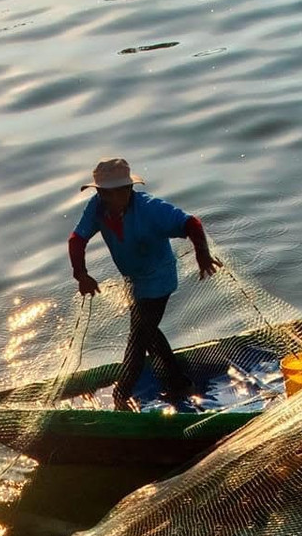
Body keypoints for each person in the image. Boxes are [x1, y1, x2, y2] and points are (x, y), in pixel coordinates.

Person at [68, 158, 220, 410]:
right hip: (135, 280)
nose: (104, 197)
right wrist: (81, 274)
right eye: (101, 192)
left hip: (159, 279)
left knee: (138, 338)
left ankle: (121, 394)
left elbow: (191, 223)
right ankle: (180, 384)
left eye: (109, 193)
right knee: (148, 334)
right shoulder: (97, 207)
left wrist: (202, 255)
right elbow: (76, 239)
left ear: (126, 190)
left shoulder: (150, 208)